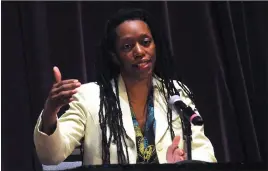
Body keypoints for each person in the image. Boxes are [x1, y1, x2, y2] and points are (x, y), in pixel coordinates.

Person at [34, 8, 217, 165]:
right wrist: (51, 110)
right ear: (115, 56)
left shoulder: (176, 93)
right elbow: (51, 156)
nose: (139, 52)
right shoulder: (90, 97)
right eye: (128, 46)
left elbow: (204, 152)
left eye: (146, 42)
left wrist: (184, 165)